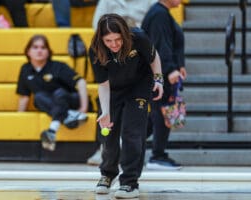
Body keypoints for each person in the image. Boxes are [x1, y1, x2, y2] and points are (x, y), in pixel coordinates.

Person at [89, 14, 163, 199]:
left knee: (132, 133)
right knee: (108, 133)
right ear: (101, 39)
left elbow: (154, 58)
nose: (114, 44)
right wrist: (105, 112)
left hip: (139, 86)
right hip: (112, 89)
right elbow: (103, 84)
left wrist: (159, 80)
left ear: (124, 34)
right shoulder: (95, 49)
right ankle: (107, 174)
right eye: (109, 40)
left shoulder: (138, 37)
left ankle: (130, 182)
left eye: (118, 39)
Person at [16, 34, 89, 151]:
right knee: (38, 97)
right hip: (52, 104)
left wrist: (83, 108)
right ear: (28, 51)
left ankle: (52, 129)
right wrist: (18, 120)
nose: (39, 50)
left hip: (71, 99)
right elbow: (24, 96)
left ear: (48, 52)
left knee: (59, 93)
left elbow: (81, 82)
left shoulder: (58, 66)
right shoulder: (25, 69)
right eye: (35, 47)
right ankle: (70, 116)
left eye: (43, 47)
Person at [141, 0, 187, 170]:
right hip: (159, 74)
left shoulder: (161, 13)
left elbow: (171, 42)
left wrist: (179, 65)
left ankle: (125, 142)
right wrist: (169, 70)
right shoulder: (159, 15)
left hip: (160, 73)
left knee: (156, 116)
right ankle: (157, 157)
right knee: (161, 113)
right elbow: (159, 46)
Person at [92, 0, 158, 29]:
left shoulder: (152, 1)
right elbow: (97, 24)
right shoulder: (105, 1)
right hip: (113, 41)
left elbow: (155, 25)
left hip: (143, 40)